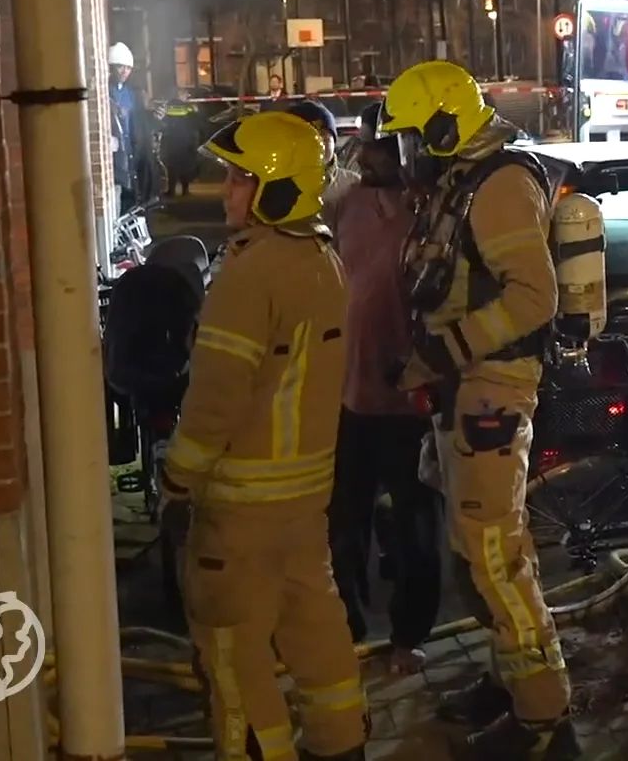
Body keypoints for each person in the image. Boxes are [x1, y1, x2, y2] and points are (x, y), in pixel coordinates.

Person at [379, 60, 576, 761]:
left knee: (496, 554)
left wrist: (442, 351)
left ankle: (546, 719)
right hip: (465, 387)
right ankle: (509, 684)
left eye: (411, 138)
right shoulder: (464, 179)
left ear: (444, 125)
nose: (405, 154)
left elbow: (533, 297)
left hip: (492, 388)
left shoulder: (499, 186)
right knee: (474, 550)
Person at [159, 110, 367, 761]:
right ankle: (342, 747)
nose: (224, 190)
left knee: (235, 660)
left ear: (277, 190)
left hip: (240, 514)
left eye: (237, 179)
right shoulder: (323, 259)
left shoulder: (250, 272)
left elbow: (216, 399)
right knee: (316, 636)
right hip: (304, 505)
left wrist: (175, 479)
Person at [325, 103, 444, 676]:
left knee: (417, 526)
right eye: (365, 144)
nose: (366, 154)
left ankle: (407, 637)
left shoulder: (434, 214)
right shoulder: (346, 204)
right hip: (347, 398)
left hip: (411, 402)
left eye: (381, 145)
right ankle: (344, 630)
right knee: (341, 524)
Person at [109, 42, 154, 210]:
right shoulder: (107, 91)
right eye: (120, 67)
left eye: (128, 68)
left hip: (131, 151)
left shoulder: (132, 93)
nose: (124, 72)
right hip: (116, 154)